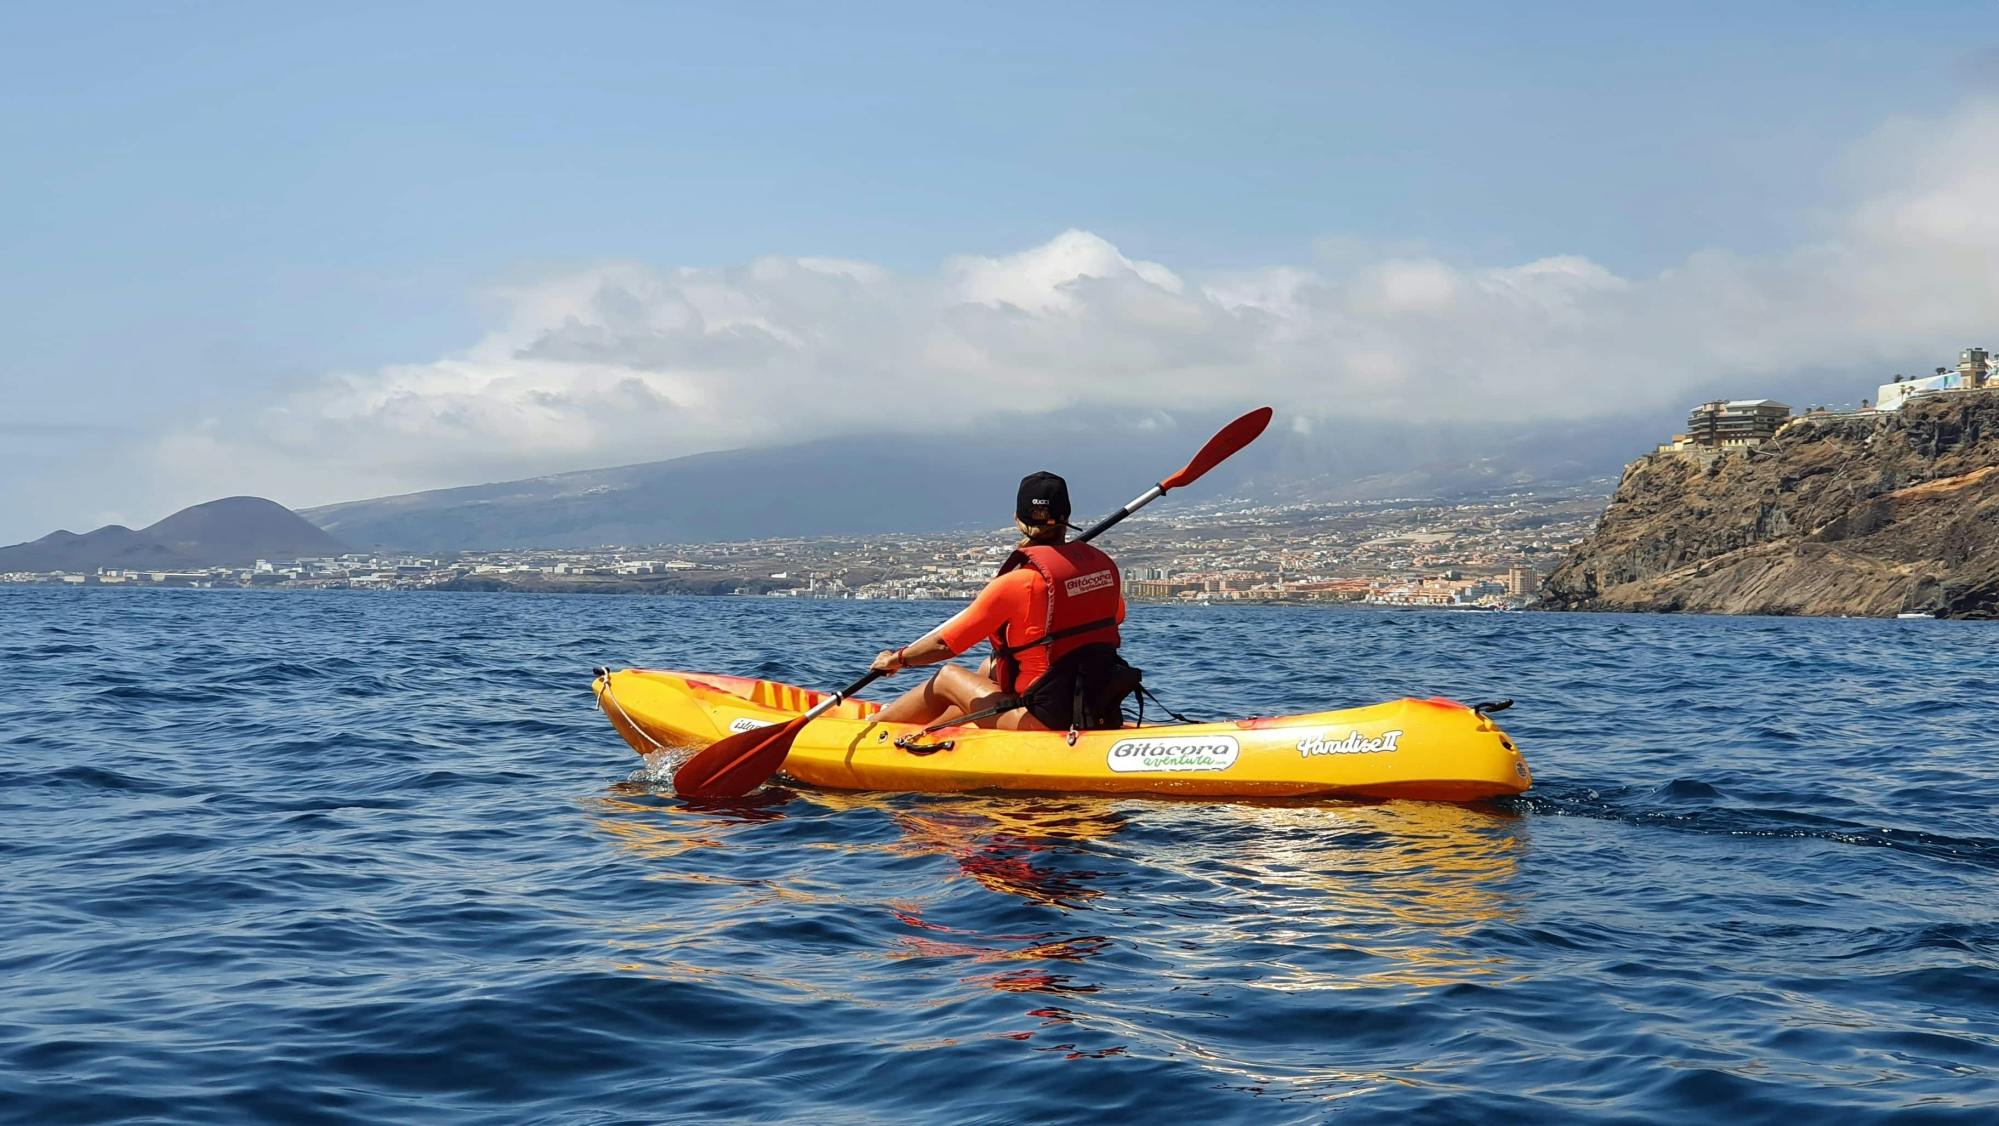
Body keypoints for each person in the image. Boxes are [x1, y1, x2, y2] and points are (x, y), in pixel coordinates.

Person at [869, 471, 1130, 732]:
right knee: (988, 669)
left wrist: (897, 659)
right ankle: (927, 735)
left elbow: (944, 644)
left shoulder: (1018, 583)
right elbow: (1117, 615)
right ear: (1066, 518)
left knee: (947, 678)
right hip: (1095, 704)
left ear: (1017, 520)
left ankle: (872, 730)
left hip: (1045, 717)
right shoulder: (1104, 567)